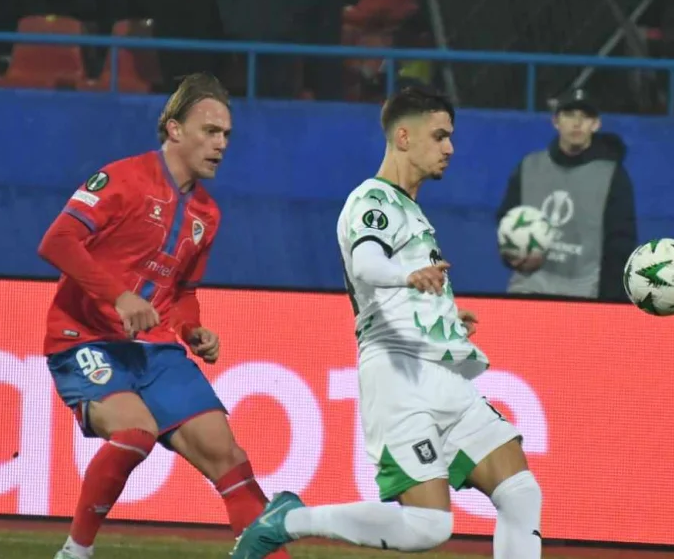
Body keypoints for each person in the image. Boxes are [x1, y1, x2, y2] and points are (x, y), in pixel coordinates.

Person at [229, 86, 543, 558]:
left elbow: (392, 288)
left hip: (443, 376)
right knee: (428, 527)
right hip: (399, 378)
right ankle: (289, 519)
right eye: (439, 136)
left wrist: (443, 316)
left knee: (520, 493)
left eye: (450, 138)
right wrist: (409, 275)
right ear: (403, 137)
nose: (450, 148)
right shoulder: (372, 201)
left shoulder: (411, 210)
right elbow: (368, 266)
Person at [36, 73, 289, 559]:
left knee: (229, 458)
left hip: (155, 349)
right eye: (209, 131)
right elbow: (57, 241)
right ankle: (75, 551)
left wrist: (193, 329)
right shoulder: (122, 179)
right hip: (84, 339)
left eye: (226, 135)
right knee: (136, 433)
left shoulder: (207, 214)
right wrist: (119, 297)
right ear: (174, 129)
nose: (220, 144)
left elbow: (184, 291)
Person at [496, 87, 637, 301]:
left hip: (584, 298)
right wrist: (513, 258)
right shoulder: (529, 167)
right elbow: (506, 224)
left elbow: (621, 245)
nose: (577, 123)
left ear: (596, 124)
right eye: (569, 115)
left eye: (585, 117)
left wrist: (609, 302)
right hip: (527, 291)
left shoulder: (612, 175)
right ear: (555, 121)